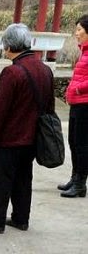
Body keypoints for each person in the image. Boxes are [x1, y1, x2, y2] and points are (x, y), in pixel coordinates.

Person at [0, 23, 55, 234]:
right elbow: (49, 107)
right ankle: (21, 218)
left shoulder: (12, 73)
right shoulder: (45, 70)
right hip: (32, 138)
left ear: (8, 46)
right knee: (23, 180)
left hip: (10, 139)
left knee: (0, 180)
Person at [59, 14, 88, 198]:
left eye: (79, 29)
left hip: (85, 104)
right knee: (73, 141)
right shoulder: (84, 52)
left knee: (82, 144)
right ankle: (75, 177)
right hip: (77, 104)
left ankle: (80, 183)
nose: (76, 33)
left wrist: (76, 90)